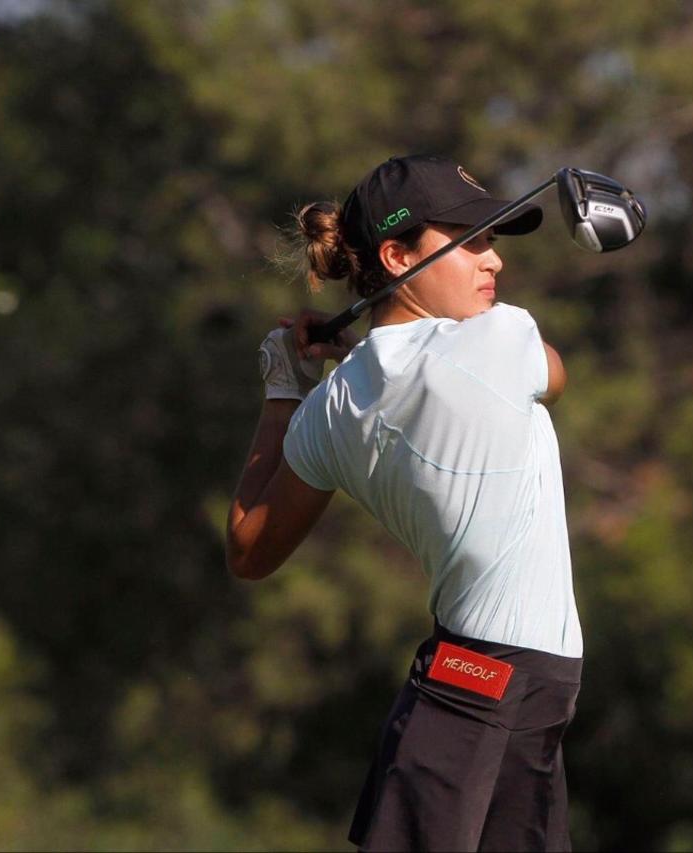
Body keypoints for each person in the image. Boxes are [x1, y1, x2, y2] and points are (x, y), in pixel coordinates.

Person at [226, 154, 583, 852]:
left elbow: (248, 547)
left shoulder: (331, 407)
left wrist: (284, 388)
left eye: (494, 241)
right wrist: (361, 350)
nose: (494, 263)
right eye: (470, 240)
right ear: (395, 254)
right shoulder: (500, 338)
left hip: (494, 686)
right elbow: (557, 377)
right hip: (486, 684)